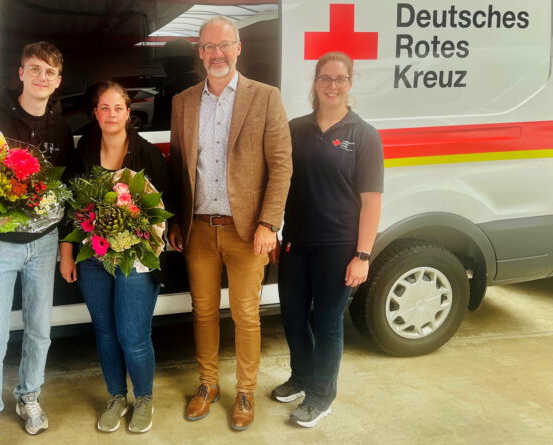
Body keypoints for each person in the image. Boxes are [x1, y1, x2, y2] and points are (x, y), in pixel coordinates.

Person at [167, 16, 293, 431]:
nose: (215, 54)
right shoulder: (183, 101)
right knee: (202, 311)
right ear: (199, 53)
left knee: (245, 315)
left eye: (223, 45)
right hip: (199, 227)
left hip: (247, 230)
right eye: (207, 47)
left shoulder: (266, 97)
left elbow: (281, 166)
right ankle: (207, 385)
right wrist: (175, 221)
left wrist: (269, 223)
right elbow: (179, 168)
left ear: (238, 48)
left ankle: (244, 390)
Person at [0, 42, 74, 445]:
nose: (42, 77)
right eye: (35, 69)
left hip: (44, 243)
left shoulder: (60, 127)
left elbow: (65, 187)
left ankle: (29, 397)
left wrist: (63, 242)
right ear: (21, 73)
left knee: (40, 330)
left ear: (58, 82)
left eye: (50, 72)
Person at [270, 51, 384, 428]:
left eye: (340, 79)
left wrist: (363, 255)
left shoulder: (363, 135)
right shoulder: (295, 128)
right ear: (315, 83)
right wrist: (272, 229)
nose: (332, 85)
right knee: (292, 317)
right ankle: (301, 377)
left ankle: (321, 396)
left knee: (328, 323)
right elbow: (278, 183)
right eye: (325, 78)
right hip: (296, 242)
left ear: (350, 84)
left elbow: (371, 201)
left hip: (338, 246)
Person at [59, 81, 170, 434]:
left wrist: (144, 235)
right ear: (95, 113)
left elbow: (167, 206)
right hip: (92, 259)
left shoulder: (147, 155)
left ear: (128, 113)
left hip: (136, 259)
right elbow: (68, 210)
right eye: (104, 108)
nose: (110, 114)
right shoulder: (82, 156)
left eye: (117, 108)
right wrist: (66, 254)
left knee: (132, 334)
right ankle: (116, 397)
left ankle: (145, 398)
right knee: (105, 332)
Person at [151, 38, 201, 131]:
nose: (163, 64)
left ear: (174, 62)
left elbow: (160, 132)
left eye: (164, 60)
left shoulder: (169, 92)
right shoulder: (208, 87)